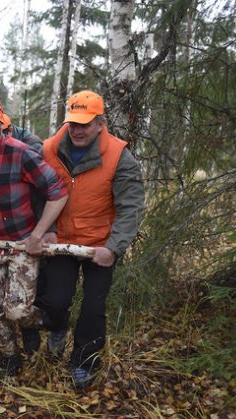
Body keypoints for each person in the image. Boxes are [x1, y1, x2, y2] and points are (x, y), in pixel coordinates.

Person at [40, 90, 144, 388]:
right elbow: (36, 193)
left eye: (85, 123)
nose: (78, 130)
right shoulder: (49, 149)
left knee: (93, 308)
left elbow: (131, 207)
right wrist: (45, 230)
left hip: (100, 245)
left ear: (100, 122)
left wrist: (113, 247)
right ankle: (57, 327)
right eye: (73, 122)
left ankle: (84, 360)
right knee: (56, 301)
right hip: (60, 241)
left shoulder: (119, 155)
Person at [0, 93, 68, 377]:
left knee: (17, 311)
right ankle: (9, 356)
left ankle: (51, 323)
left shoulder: (21, 152)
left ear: (1, 122)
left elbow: (58, 191)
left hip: (20, 244)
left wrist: (39, 234)